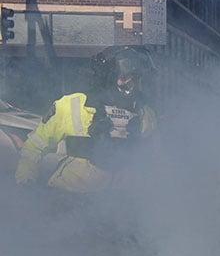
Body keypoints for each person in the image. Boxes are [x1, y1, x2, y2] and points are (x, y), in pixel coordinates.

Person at [15, 45, 157, 193]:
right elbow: (33, 148)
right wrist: (26, 185)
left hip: (118, 204)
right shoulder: (72, 106)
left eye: (136, 78)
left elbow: (153, 161)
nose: (132, 84)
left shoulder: (144, 114)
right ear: (108, 75)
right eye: (125, 77)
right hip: (68, 198)